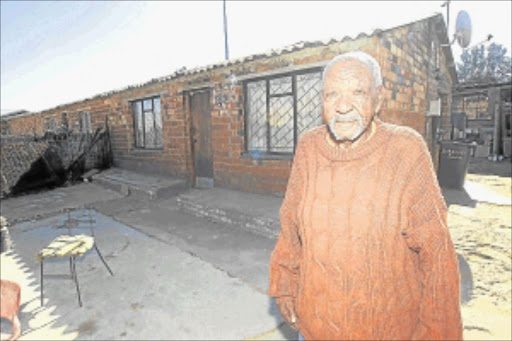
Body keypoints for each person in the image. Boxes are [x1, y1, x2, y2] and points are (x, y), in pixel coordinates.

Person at [268, 51, 463, 340]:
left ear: (378, 98)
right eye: (332, 93)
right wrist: (284, 284)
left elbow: (437, 255)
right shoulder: (308, 147)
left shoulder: (406, 150)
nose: (343, 106)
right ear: (322, 100)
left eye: (357, 91)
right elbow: (290, 227)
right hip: (313, 329)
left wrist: (437, 333)